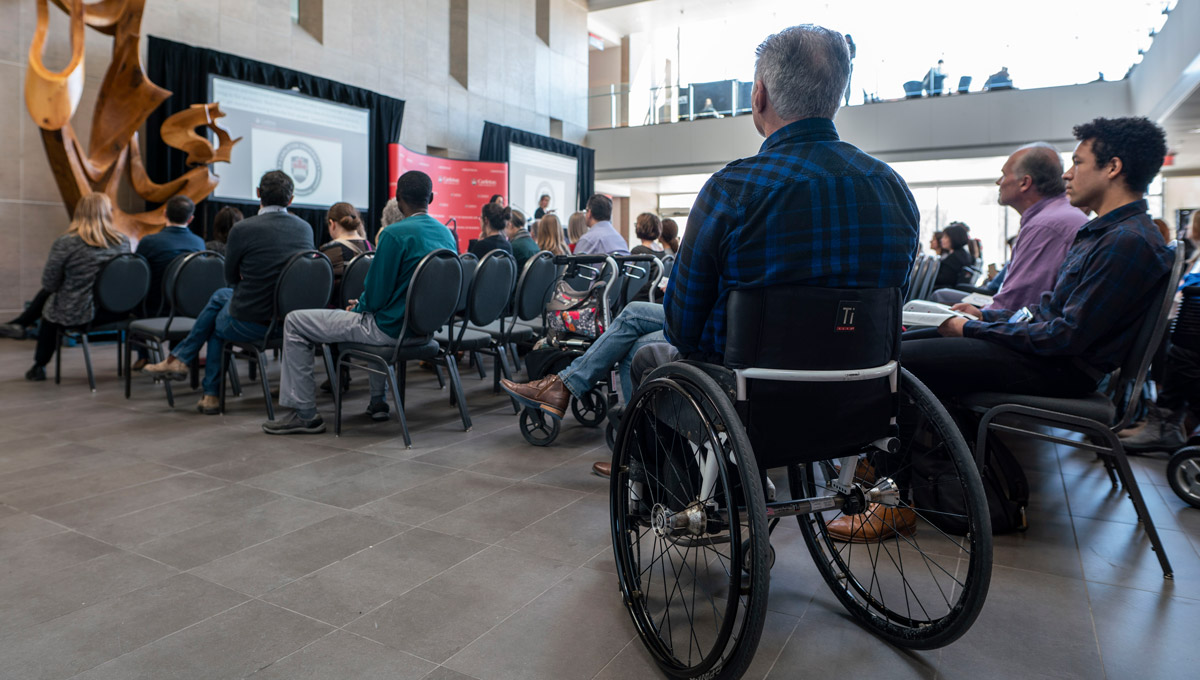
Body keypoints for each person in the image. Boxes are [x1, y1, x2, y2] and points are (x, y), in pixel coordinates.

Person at [501, 24, 918, 476]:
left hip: (747, 398)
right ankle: (579, 398)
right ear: (839, 93)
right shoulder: (893, 190)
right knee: (642, 333)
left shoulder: (734, 190)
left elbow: (682, 326)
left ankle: (657, 472)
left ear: (759, 96)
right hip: (860, 396)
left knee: (644, 350)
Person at [261, 171, 459, 434]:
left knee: (296, 321)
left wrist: (360, 305)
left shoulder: (393, 234)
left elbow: (376, 296)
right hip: (424, 332)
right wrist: (367, 304)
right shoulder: (447, 235)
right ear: (431, 198)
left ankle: (304, 413)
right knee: (373, 314)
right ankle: (377, 402)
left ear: (398, 199)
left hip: (388, 331)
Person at [142, 171, 314, 414]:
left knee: (218, 320)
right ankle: (189, 372)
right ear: (292, 199)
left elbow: (230, 278)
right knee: (221, 301)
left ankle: (200, 382)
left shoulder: (243, 229)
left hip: (254, 324)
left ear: (257, 194)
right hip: (291, 324)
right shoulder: (305, 229)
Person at [20, 193, 131, 381]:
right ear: (107, 214)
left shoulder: (66, 242)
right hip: (114, 310)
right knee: (53, 302)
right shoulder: (122, 242)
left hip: (77, 314)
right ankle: (21, 324)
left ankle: (39, 365)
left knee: (51, 307)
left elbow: (49, 283)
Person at [136, 196, 205, 319]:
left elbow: (136, 276)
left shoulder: (149, 242)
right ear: (190, 219)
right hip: (188, 312)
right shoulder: (199, 244)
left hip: (154, 311)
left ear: (164, 214)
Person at [319, 202, 372, 286]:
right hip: (367, 299)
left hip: (339, 299)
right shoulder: (373, 249)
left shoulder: (327, 252)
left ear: (332, 224)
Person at [933, 222, 974, 287]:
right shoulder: (963, 254)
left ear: (954, 238)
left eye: (945, 237)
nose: (941, 240)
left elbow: (942, 280)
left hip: (946, 289)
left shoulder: (955, 258)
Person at [844, 34, 855, 106]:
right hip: (843, 66)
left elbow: (853, 55)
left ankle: (847, 101)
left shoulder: (853, 46)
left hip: (849, 65)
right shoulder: (843, 46)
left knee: (848, 84)